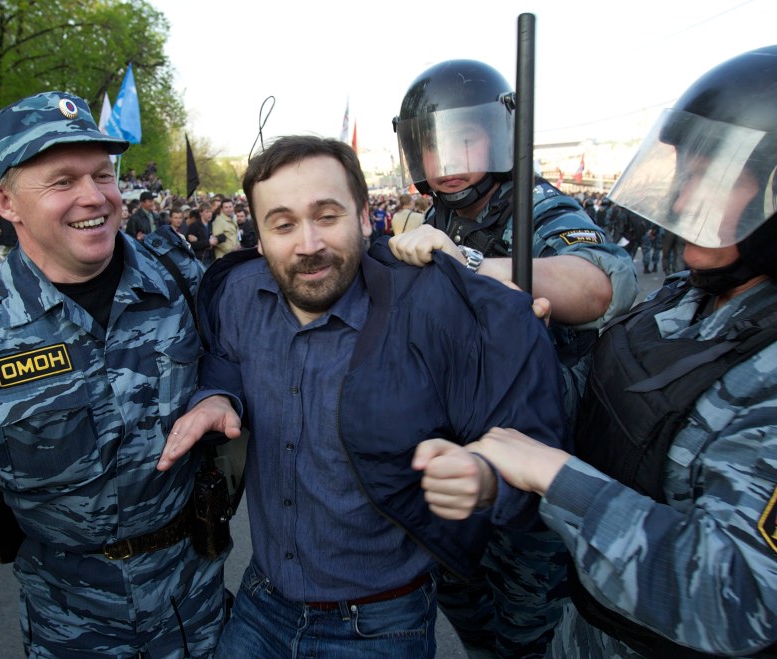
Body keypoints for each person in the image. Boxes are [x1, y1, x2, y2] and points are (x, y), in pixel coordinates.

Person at [444, 43, 777, 657]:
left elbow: (733, 594)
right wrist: (499, 366)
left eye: (713, 176)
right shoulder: (692, 296)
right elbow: (606, 400)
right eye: (686, 174)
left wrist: (551, 476)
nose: (687, 199)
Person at [157, 135, 566, 657]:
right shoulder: (238, 295)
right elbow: (225, 362)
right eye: (282, 225)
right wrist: (218, 397)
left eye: (326, 216)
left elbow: (529, 443)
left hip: (379, 625)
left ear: (365, 215)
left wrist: (485, 479)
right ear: (257, 237)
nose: (308, 243)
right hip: (262, 606)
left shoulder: (431, 310)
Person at [0, 91, 232, 658]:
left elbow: (267, 346)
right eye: (62, 181)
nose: (94, 197)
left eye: (102, 175)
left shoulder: (179, 278)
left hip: (195, 608)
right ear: (5, 202)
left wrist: (224, 390)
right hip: (72, 628)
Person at [389, 58, 638, 657]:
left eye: (464, 142)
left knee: (529, 632)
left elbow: (601, 284)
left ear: (499, 136)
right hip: (459, 462)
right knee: (469, 610)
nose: (447, 165)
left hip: (536, 468)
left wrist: (468, 266)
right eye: (433, 148)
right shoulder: (434, 217)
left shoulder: (537, 207)